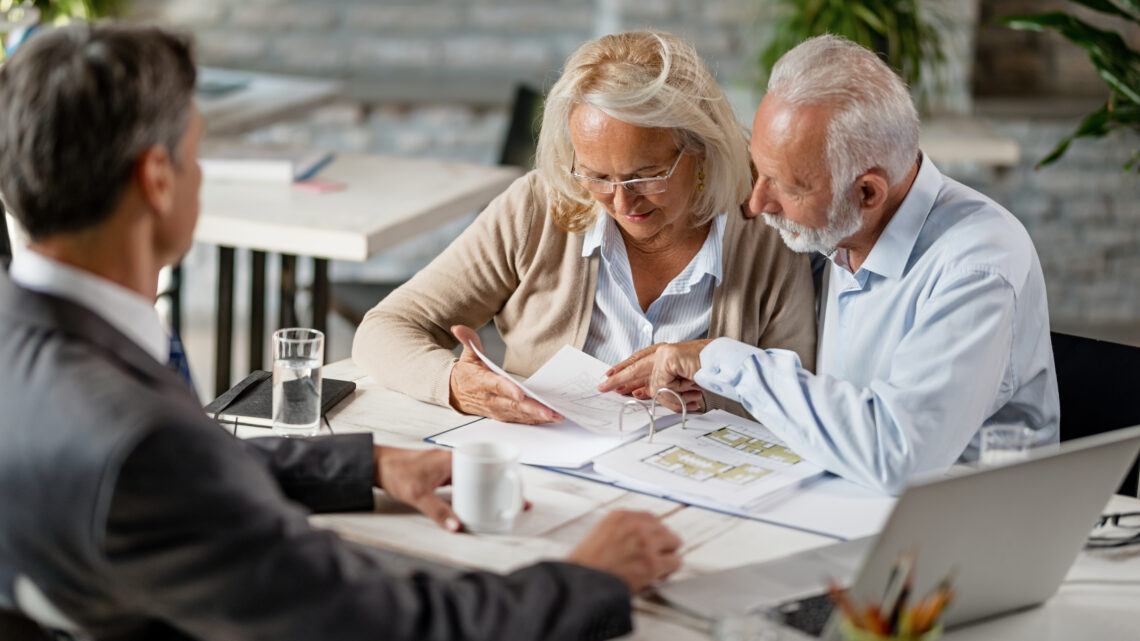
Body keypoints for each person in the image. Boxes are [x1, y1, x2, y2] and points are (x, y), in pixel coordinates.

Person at [0, 24, 682, 640]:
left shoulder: (33, 354)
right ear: (156, 178)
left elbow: (172, 482)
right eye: (196, 153)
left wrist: (366, 464)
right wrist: (592, 576)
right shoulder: (143, 438)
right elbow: (383, 622)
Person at [601, 35, 1060, 494]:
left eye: (785, 186)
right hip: (841, 497)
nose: (757, 203)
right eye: (759, 172)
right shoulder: (837, 228)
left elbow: (896, 454)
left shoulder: (978, 265)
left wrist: (721, 358)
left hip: (964, 523)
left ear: (867, 193)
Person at [352, 30, 816, 424]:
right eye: (597, 175)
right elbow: (386, 327)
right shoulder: (539, 206)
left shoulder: (766, 230)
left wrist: (712, 392)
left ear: (700, 147)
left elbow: (800, 398)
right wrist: (453, 382)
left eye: (646, 175)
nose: (620, 201)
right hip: (548, 479)